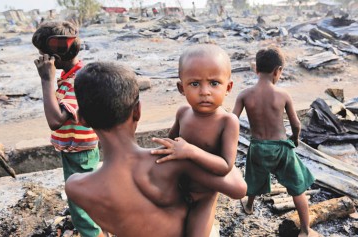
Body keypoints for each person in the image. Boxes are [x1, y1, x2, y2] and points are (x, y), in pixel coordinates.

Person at [64, 61, 247, 237]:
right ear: (138, 111)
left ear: (81, 119)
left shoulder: (77, 187)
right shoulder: (170, 162)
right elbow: (238, 189)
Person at [151, 44, 239, 237]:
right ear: (181, 88)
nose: (204, 91)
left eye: (214, 83)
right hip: (177, 189)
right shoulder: (183, 114)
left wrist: (191, 151)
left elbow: (225, 165)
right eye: (195, 84)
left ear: (228, 87)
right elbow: (170, 144)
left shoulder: (227, 121)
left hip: (204, 196)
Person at [232, 46, 320, 237]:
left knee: (253, 178)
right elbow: (296, 124)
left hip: (257, 147)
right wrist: (294, 140)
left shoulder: (245, 95)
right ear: (277, 71)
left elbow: (232, 121)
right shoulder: (283, 95)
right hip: (281, 149)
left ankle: (248, 205)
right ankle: (305, 230)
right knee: (297, 187)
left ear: (256, 68)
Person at [32, 21, 103, 237]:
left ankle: (94, 234)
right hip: (74, 149)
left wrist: (47, 79)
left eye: (43, 55)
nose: (41, 60)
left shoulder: (75, 80)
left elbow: (55, 121)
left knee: (80, 202)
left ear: (56, 56)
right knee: (81, 196)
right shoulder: (69, 76)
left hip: (80, 153)